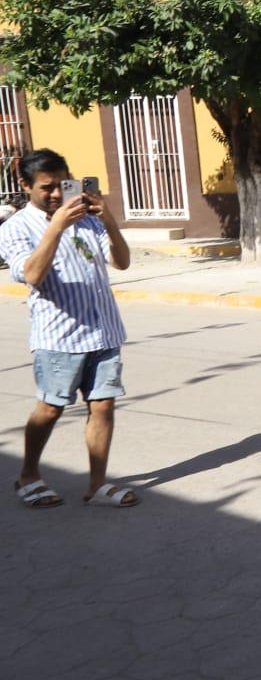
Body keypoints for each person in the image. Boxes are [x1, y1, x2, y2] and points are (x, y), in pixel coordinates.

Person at [0, 149, 136, 509]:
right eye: (47, 188)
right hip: (58, 337)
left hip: (103, 331)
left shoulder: (87, 219)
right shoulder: (16, 228)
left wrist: (108, 221)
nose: (57, 194)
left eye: (62, 184)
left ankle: (97, 485)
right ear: (25, 185)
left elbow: (121, 262)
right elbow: (31, 274)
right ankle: (29, 475)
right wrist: (56, 226)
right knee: (50, 409)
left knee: (103, 406)